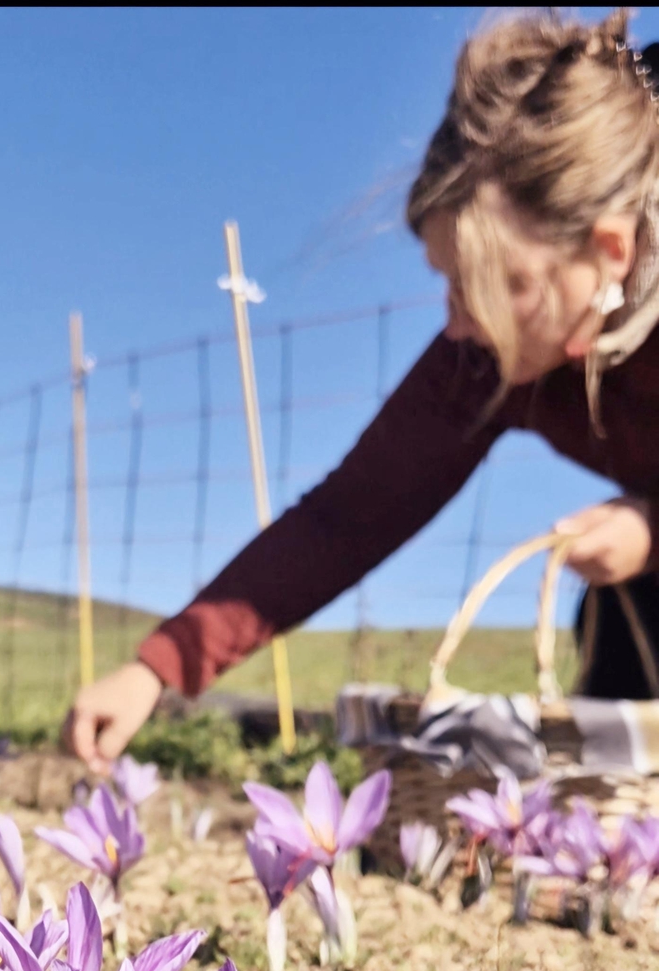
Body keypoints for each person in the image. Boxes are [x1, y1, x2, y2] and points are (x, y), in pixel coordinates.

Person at [66, 9, 659, 774]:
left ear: (609, 250)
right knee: (617, 640)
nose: (455, 322)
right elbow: (346, 518)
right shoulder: (484, 359)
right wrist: (159, 665)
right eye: (450, 284)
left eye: (488, 285)